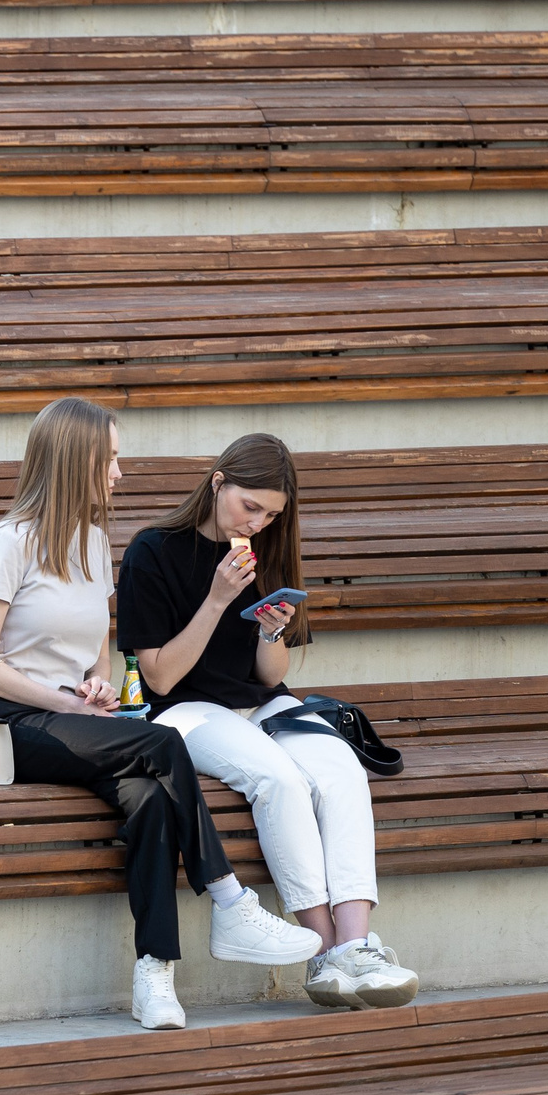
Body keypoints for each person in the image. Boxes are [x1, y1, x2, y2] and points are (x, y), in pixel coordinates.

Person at [0, 397, 321, 1032]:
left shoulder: (92, 543)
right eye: (109, 459)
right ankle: (229, 899)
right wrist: (65, 701)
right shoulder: (7, 544)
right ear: (73, 461)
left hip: (76, 722)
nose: (119, 472)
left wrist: (97, 689)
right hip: (8, 721)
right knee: (161, 742)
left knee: (151, 799)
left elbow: (97, 654)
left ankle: (155, 973)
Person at [118, 433, 421, 1012]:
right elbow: (159, 677)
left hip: (260, 703)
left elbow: (271, 673)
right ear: (218, 483)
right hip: (184, 710)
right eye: (249, 506)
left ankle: (356, 946)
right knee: (278, 778)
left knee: (340, 769)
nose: (257, 523)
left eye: (272, 514)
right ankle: (323, 953)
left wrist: (270, 629)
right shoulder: (152, 551)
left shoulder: (267, 549)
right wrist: (217, 599)